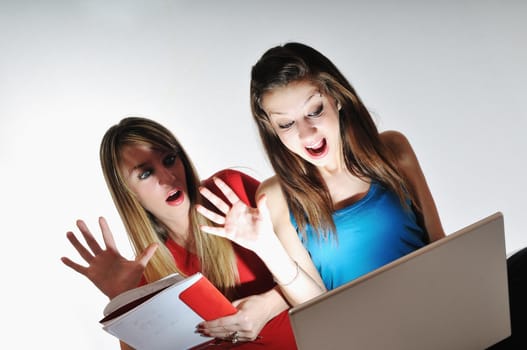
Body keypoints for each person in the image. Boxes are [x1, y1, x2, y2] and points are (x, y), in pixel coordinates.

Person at [197, 42, 525, 348]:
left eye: (314, 110)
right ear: (271, 129)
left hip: (440, 314)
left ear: (337, 98)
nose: (306, 133)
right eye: (286, 124)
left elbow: (438, 242)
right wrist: (266, 248)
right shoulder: (276, 197)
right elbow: (314, 306)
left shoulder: (393, 150)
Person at [61, 116, 298, 349]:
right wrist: (121, 297)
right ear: (128, 194)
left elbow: (319, 270)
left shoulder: (232, 191)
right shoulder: (145, 272)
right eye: (145, 174)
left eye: (169, 159)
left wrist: (267, 306)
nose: (168, 177)